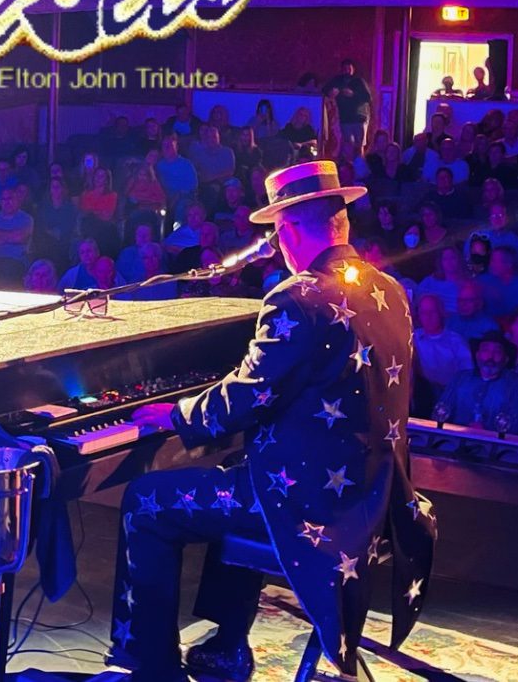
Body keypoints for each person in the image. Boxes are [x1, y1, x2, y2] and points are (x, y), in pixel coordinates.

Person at [114, 161, 433, 681]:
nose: (277, 244)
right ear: (341, 222)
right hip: (376, 499)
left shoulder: (296, 298)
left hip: (309, 505)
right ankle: (228, 646)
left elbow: (245, 396)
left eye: (277, 232)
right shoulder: (390, 290)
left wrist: (172, 414)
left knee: (145, 501)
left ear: (289, 230)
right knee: (242, 470)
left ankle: (145, 663)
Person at [436, 332, 518, 434]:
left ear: (506, 359)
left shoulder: (516, 384)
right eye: (485, 350)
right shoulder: (460, 378)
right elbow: (440, 412)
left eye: (497, 352)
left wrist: (487, 431)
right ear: (477, 355)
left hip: (495, 444)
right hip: (456, 439)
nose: (490, 356)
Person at [414, 293, 473, 400]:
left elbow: (467, 373)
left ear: (441, 313)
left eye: (432, 312)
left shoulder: (456, 341)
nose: (428, 317)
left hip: (449, 395)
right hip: (420, 394)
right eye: (424, 313)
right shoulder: (413, 338)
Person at [321, 58, 372, 158]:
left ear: (353, 69)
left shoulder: (359, 81)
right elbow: (325, 90)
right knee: (347, 145)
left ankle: (358, 167)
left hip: (359, 118)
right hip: (344, 118)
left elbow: (367, 97)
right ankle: (347, 166)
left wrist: (353, 94)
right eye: (345, 69)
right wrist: (331, 92)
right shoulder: (337, 80)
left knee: (359, 145)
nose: (347, 71)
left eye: (349, 68)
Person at [479, 247, 518, 320]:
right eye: (491, 260)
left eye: (496, 261)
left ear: (509, 264)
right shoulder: (483, 280)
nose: (491, 264)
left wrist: (500, 300)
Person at [415, 246, 467, 313]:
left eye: (452, 258)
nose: (449, 262)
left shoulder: (465, 285)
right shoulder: (429, 282)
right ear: (440, 262)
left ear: (459, 260)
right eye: (445, 259)